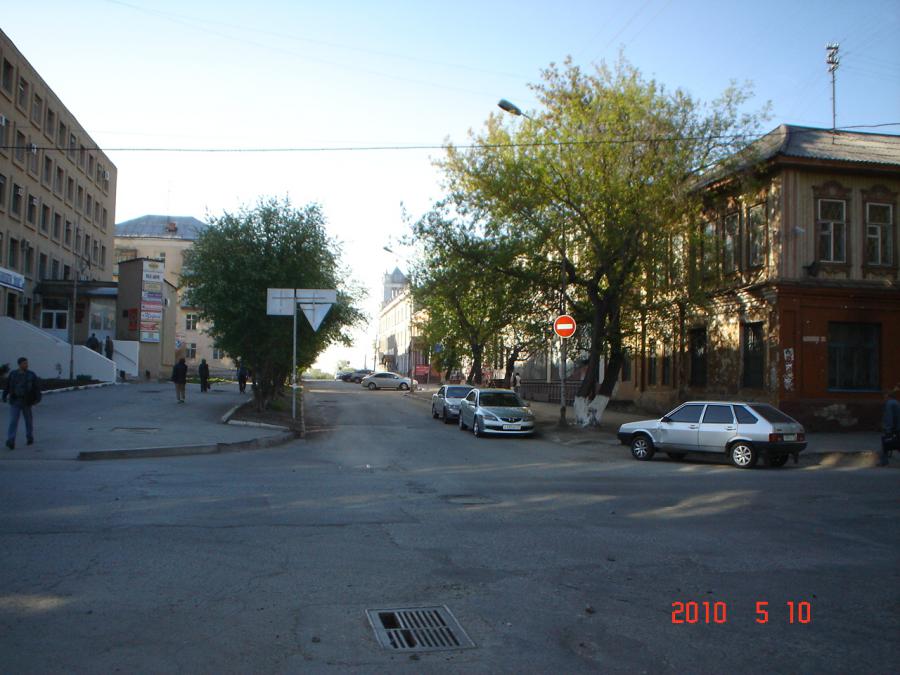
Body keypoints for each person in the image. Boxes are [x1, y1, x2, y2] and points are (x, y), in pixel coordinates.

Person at [3, 357, 41, 450]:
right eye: (24, 363)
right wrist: (4, 396)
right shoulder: (13, 374)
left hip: (26, 402)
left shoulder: (31, 375)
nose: (26, 365)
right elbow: (8, 386)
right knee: (13, 421)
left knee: (28, 420)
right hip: (15, 401)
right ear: (19, 364)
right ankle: (11, 440)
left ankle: (29, 437)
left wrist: (37, 399)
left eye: (26, 363)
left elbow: (36, 388)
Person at [879, 385, 900, 467]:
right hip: (898, 428)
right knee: (896, 444)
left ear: (887, 395)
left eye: (884, 395)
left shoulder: (889, 404)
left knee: (886, 443)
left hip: (894, 428)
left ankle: (884, 462)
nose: (883, 397)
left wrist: (888, 430)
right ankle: (884, 461)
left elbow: (889, 417)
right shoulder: (896, 402)